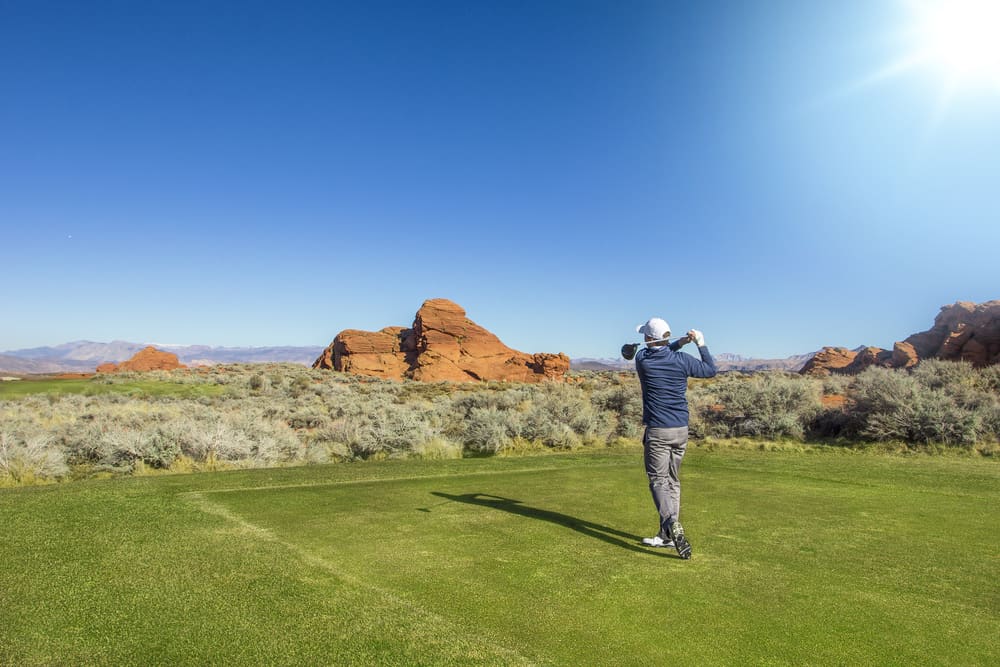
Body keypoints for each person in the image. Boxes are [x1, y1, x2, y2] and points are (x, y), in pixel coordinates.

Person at [633, 316, 716, 559]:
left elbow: (659, 349)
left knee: (658, 481)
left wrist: (679, 342)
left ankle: (670, 523)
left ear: (649, 338)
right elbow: (710, 370)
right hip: (681, 429)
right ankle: (666, 536)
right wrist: (699, 343)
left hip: (658, 431)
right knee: (672, 481)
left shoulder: (643, 360)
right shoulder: (681, 360)